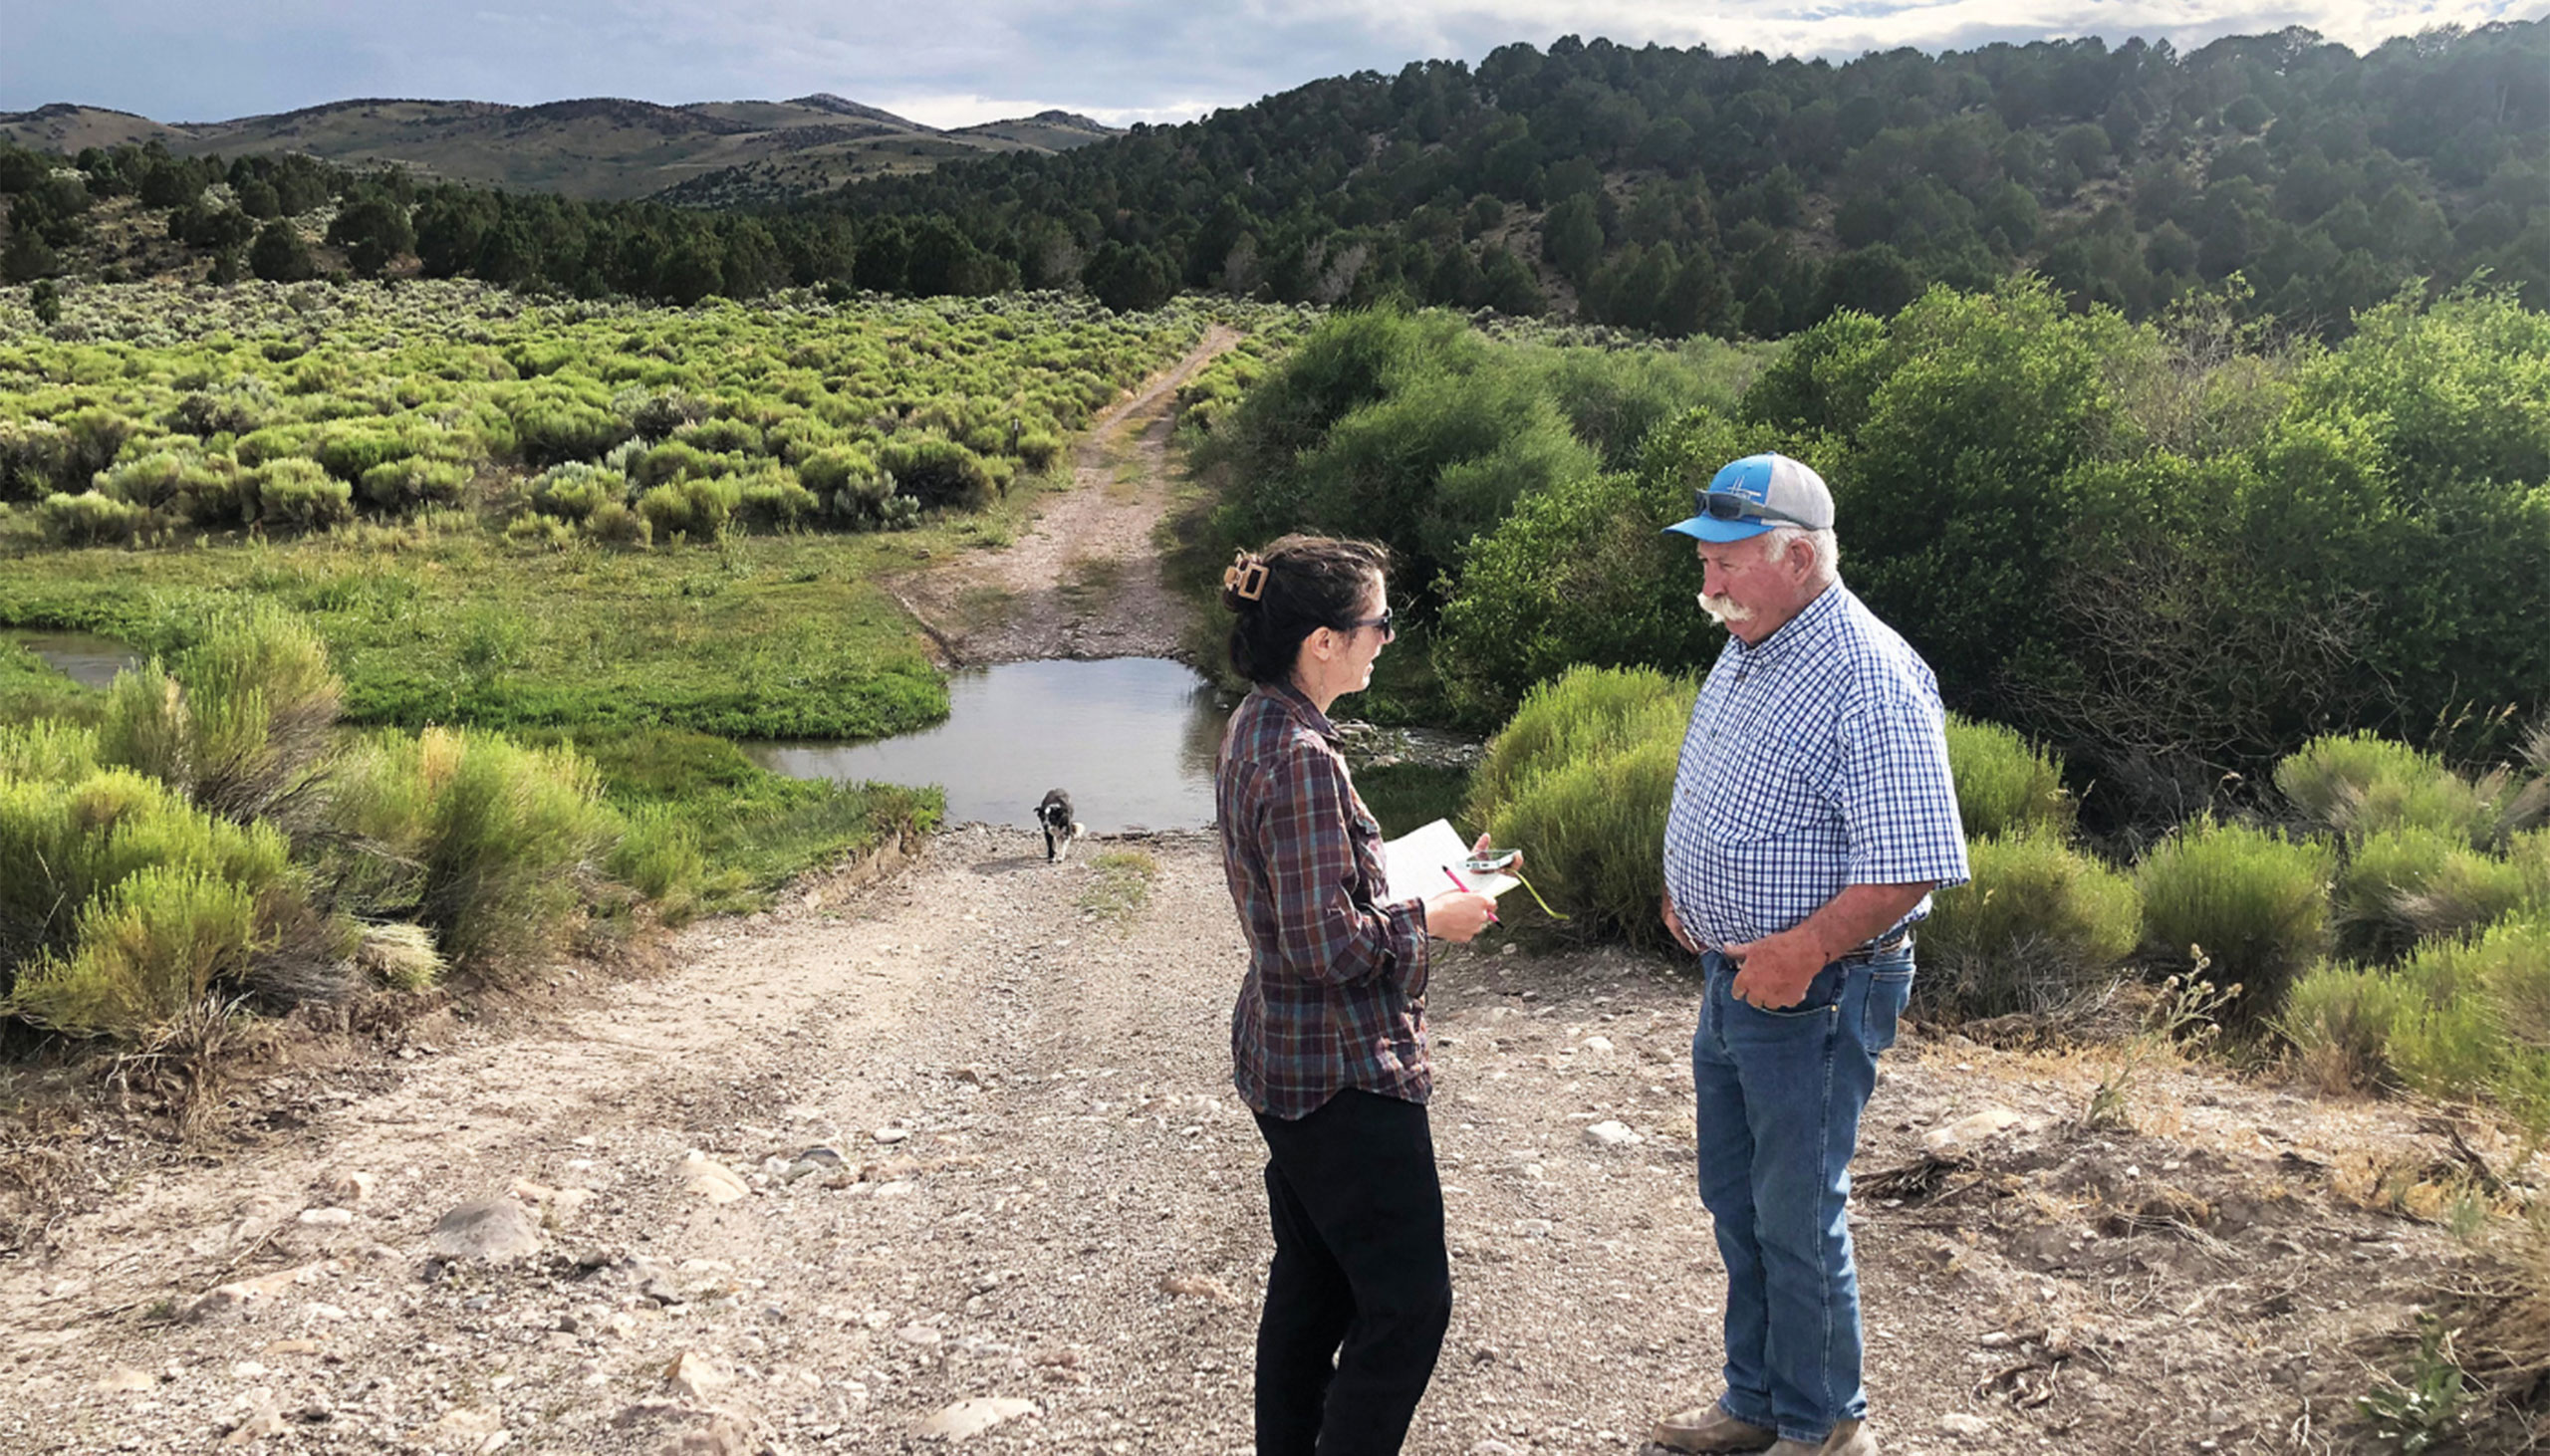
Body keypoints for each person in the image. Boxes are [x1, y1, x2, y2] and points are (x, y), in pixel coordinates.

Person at [1646, 454, 1969, 1456]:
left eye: (1728, 561)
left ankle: (1828, 1427)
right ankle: (1755, 1405)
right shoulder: (1752, 640)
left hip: (1818, 987)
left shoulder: (1867, 672)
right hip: (1735, 973)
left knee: (1794, 1213)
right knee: (1737, 1202)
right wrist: (1687, 883)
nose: (1707, 583)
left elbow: (1913, 863)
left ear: (1797, 555)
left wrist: (1804, 948)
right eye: (1704, 560)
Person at [1214, 534, 1499, 1456]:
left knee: (1316, 1285)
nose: (1386, 638)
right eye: (1378, 623)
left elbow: (1316, 902)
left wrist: (1431, 882)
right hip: (1340, 1074)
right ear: (1323, 641)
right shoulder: (1300, 756)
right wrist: (1435, 919)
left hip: (1289, 1064)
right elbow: (1324, 946)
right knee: (1410, 1309)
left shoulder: (1257, 721)